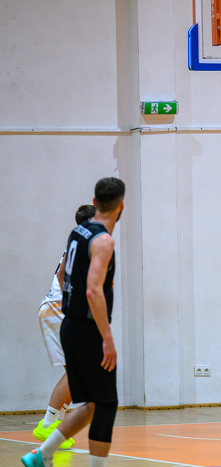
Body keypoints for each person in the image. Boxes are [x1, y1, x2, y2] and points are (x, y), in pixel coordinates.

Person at [22, 177, 125, 467]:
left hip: (69, 324)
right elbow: (93, 290)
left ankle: (42, 454)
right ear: (121, 206)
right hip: (85, 326)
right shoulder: (103, 241)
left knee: (91, 403)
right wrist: (107, 337)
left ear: (94, 202)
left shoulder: (77, 233)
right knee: (106, 404)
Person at [33, 204, 97, 450]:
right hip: (58, 309)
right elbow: (62, 276)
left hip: (55, 309)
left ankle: (52, 425)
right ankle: (49, 423)